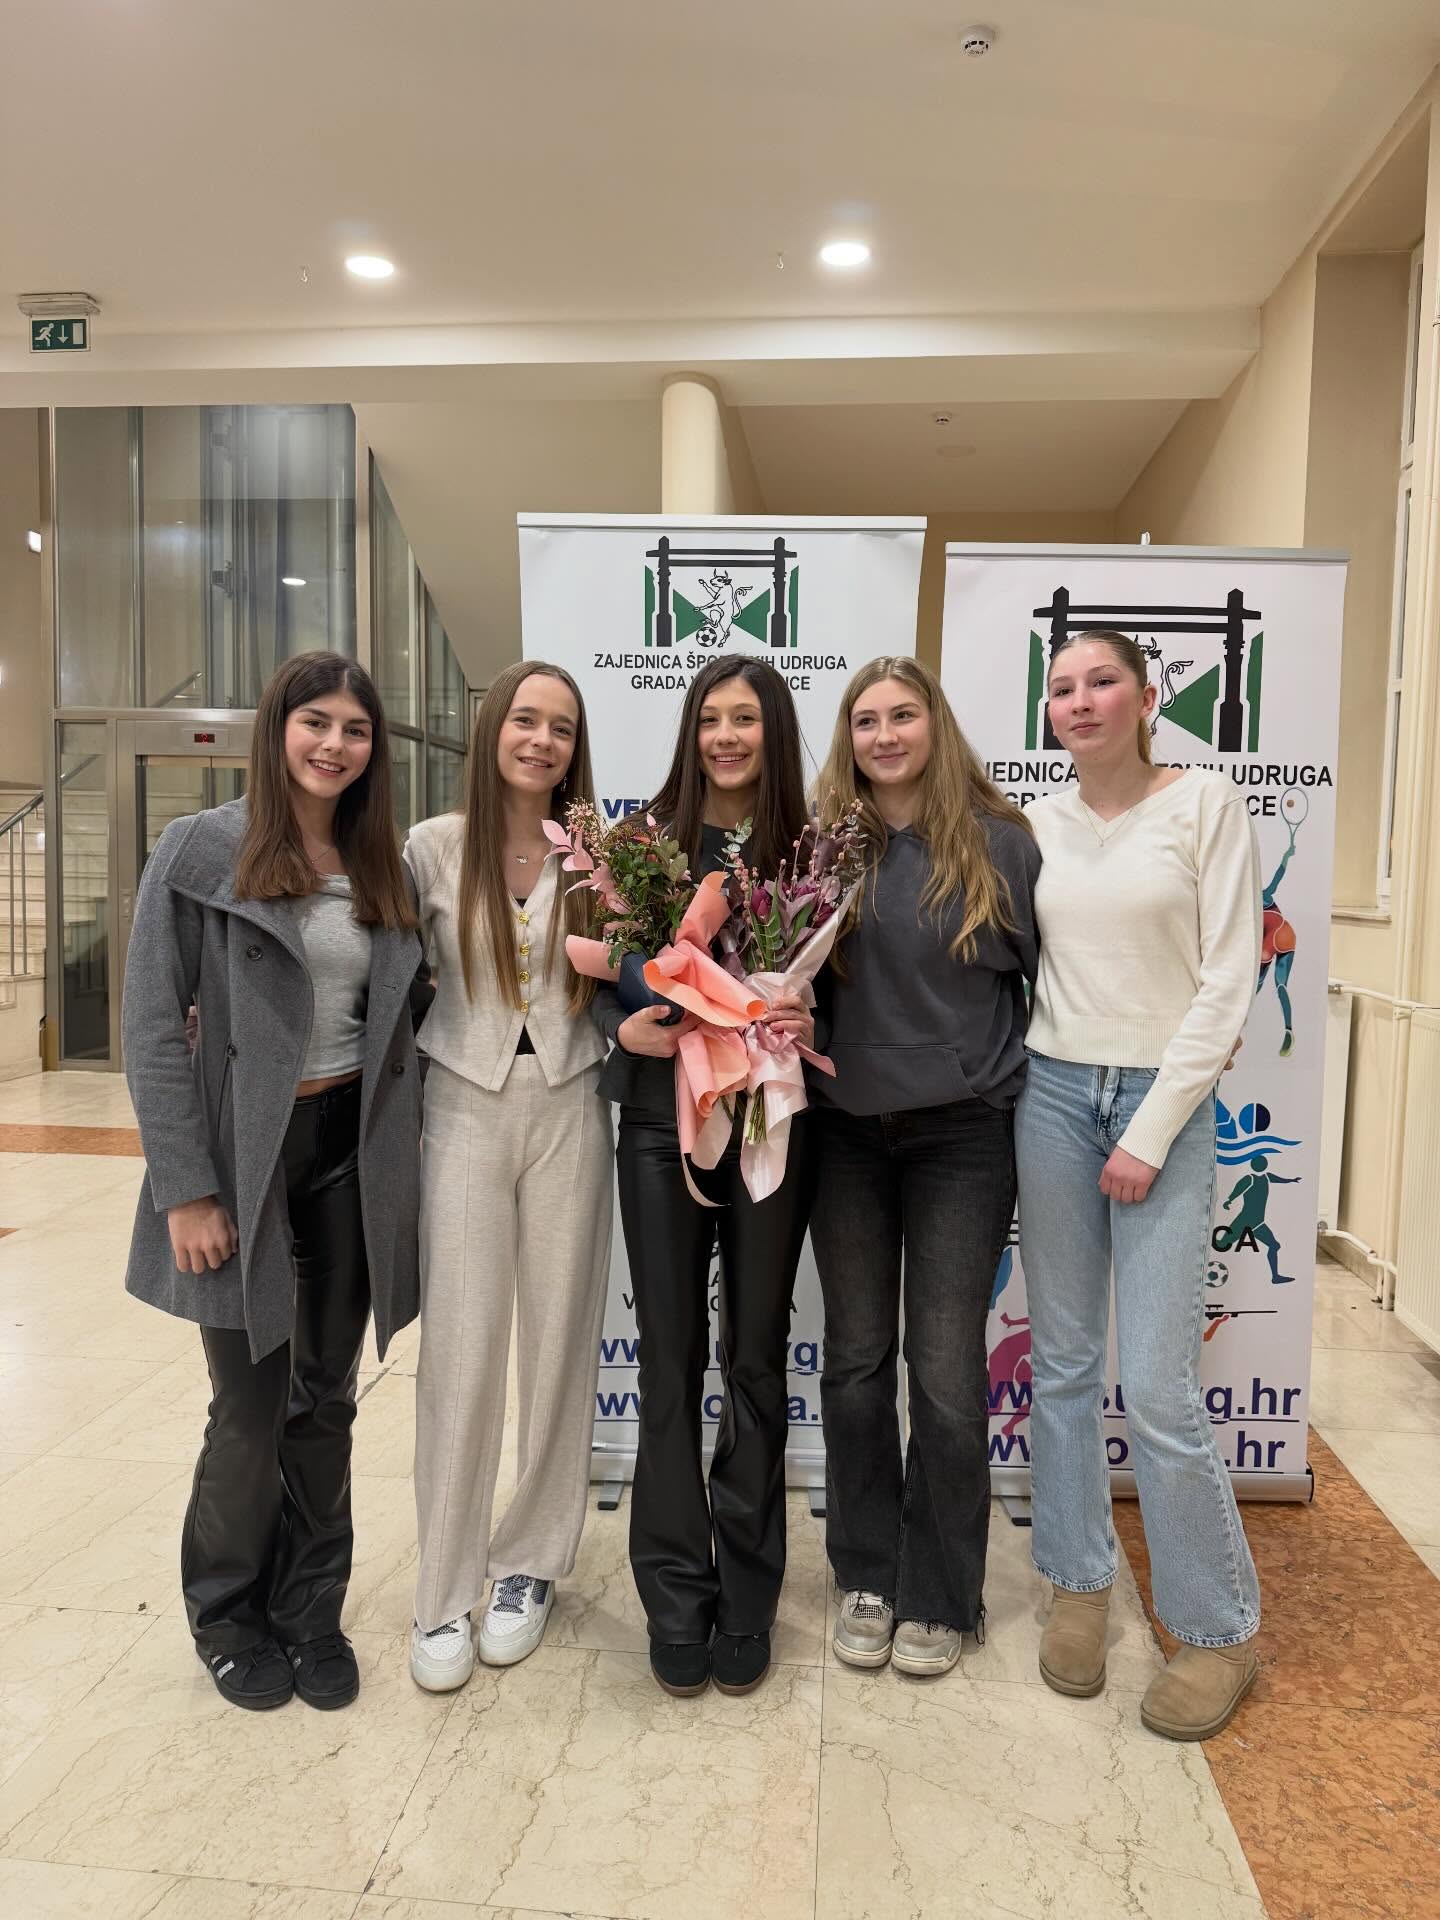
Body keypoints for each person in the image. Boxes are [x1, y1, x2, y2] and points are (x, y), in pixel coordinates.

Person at [122, 652, 423, 1713]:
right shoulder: (201, 848)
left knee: (325, 1400)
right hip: (244, 1160)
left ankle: (309, 1611)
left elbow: (406, 1016)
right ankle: (226, 1614)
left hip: (349, 1152)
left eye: (355, 729)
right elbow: (150, 1023)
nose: (335, 745)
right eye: (316, 722)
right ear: (277, 728)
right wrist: (185, 1188)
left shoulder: (383, 863)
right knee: (248, 1406)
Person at [1015, 628, 1262, 1742]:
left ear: (1147, 695)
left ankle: (1216, 1631)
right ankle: (1078, 1581)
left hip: (1164, 1097)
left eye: (1102, 681)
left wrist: (1153, 1130)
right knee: (1065, 1362)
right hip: (1052, 1095)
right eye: (1061, 687)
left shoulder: (1204, 803)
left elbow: (1229, 979)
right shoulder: (1037, 824)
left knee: (1159, 1387)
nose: (1079, 701)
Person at [808, 656, 1039, 1678]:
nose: (886, 735)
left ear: (936, 726)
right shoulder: (822, 849)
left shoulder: (1002, 844)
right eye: (867, 720)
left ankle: (943, 1591)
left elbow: (1051, 987)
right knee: (856, 1362)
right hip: (843, 1135)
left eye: (904, 715)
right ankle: (868, 1569)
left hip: (962, 1138)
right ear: (848, 738)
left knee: (945, 1374)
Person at [593, 656, 814, 1699]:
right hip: (660, 1124)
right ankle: (675, 1592)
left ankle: (750, 1592)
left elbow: (841, 981)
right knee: (670, 1359)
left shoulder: (809, 849)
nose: (726, 736)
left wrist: (807, 1008)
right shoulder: (640, 844)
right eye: (710, 718)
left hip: (771, 1124)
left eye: (746, 719)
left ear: (774, 731)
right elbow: (603, 977)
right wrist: (625, 1019)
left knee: (757, 1357)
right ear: (690, 731)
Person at [406, 661, 614, 1691]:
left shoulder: (603, 856)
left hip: (572, 1101)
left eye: (561, 728)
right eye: (525, 720)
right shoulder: (431, 847)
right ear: (493, 729)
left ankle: (529, 1560)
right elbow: (382, 973)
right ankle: (444, 1584)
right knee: (462, 1346)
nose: (541, 740)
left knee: (561, 1341)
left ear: (577, 749)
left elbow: (638, 979)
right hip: (461, 1104)